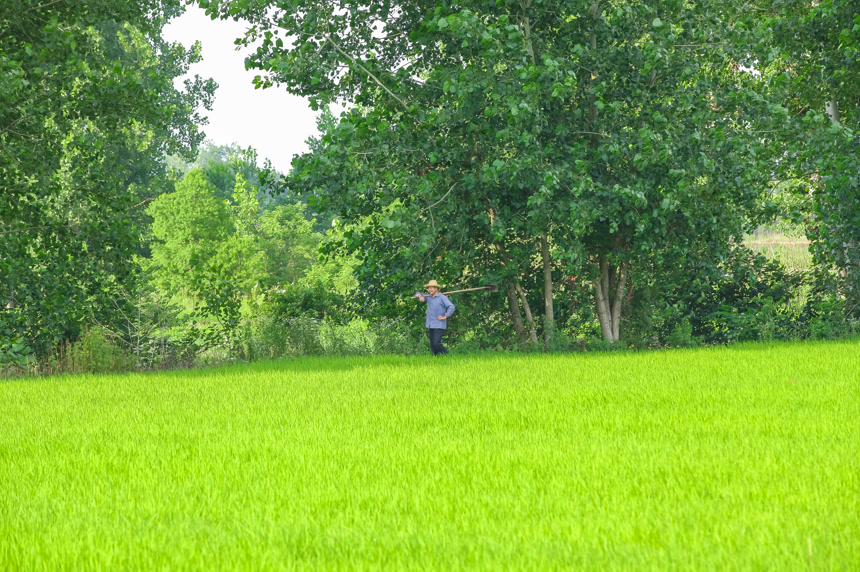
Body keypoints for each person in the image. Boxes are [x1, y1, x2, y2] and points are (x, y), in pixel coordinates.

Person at [412, 279, 455, 355]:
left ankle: (447, 355)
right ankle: (436, 358)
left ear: (436, 288)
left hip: (439, 324)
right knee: (432, 345)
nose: (429, 289)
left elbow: (451, 307)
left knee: (436, 343)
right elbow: (417, 293)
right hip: (430, 324)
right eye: (429, 288)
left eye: (431, 287)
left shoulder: (442, 297)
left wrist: (445, 316)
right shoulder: (428, 297)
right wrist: (419, 296)